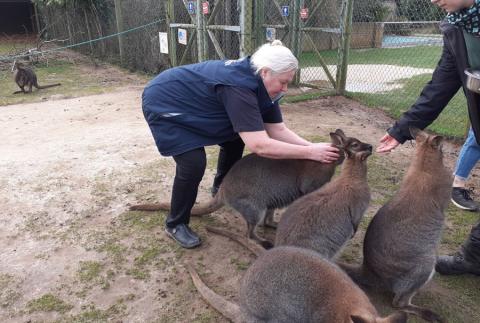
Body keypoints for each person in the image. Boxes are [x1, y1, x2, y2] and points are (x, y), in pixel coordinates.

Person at [141, 40, 339, 249]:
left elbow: (277, 129)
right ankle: (176, 223)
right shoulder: (240, 88)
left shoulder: (265, 88)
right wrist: (309, 152)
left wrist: (313, 148)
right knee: (193, 163)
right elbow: (260, 145)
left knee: (236, 137)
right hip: (166, 101)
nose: (286, 89)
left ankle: (222, 187)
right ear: (265, 73)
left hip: (200, 105)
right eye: (283, 82)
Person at [377, 0, 480, 275]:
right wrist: (401, 130)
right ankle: (474, 257)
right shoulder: (456, 28)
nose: (433, 0)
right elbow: (439, 87)